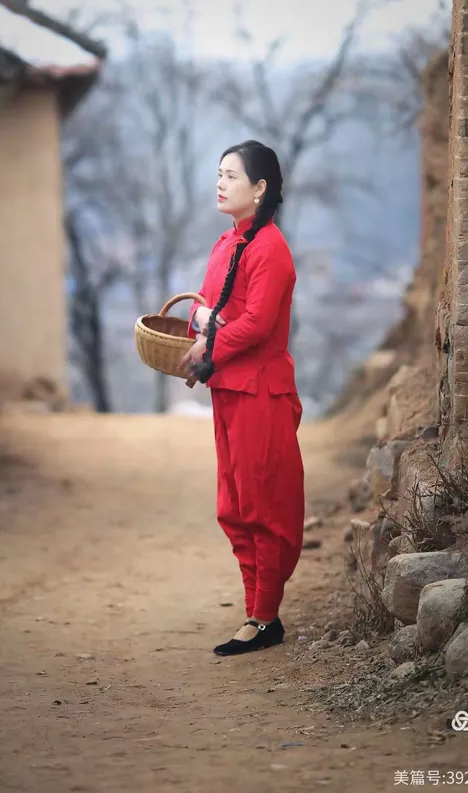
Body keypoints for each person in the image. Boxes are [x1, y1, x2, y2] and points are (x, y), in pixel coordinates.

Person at [180, 140, 304, 657]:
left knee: (263, 503)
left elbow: (253, 324)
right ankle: (254, 610)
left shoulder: (271, 248)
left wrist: (210, 339)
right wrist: (201, 333)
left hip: (262, 392)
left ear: (260, 189)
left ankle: (264, 616)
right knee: (233, 506)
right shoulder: (225, 244)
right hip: (228, 388)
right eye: (219, 173)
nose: (220, 183)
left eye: (231, 175)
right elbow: (205, 307)